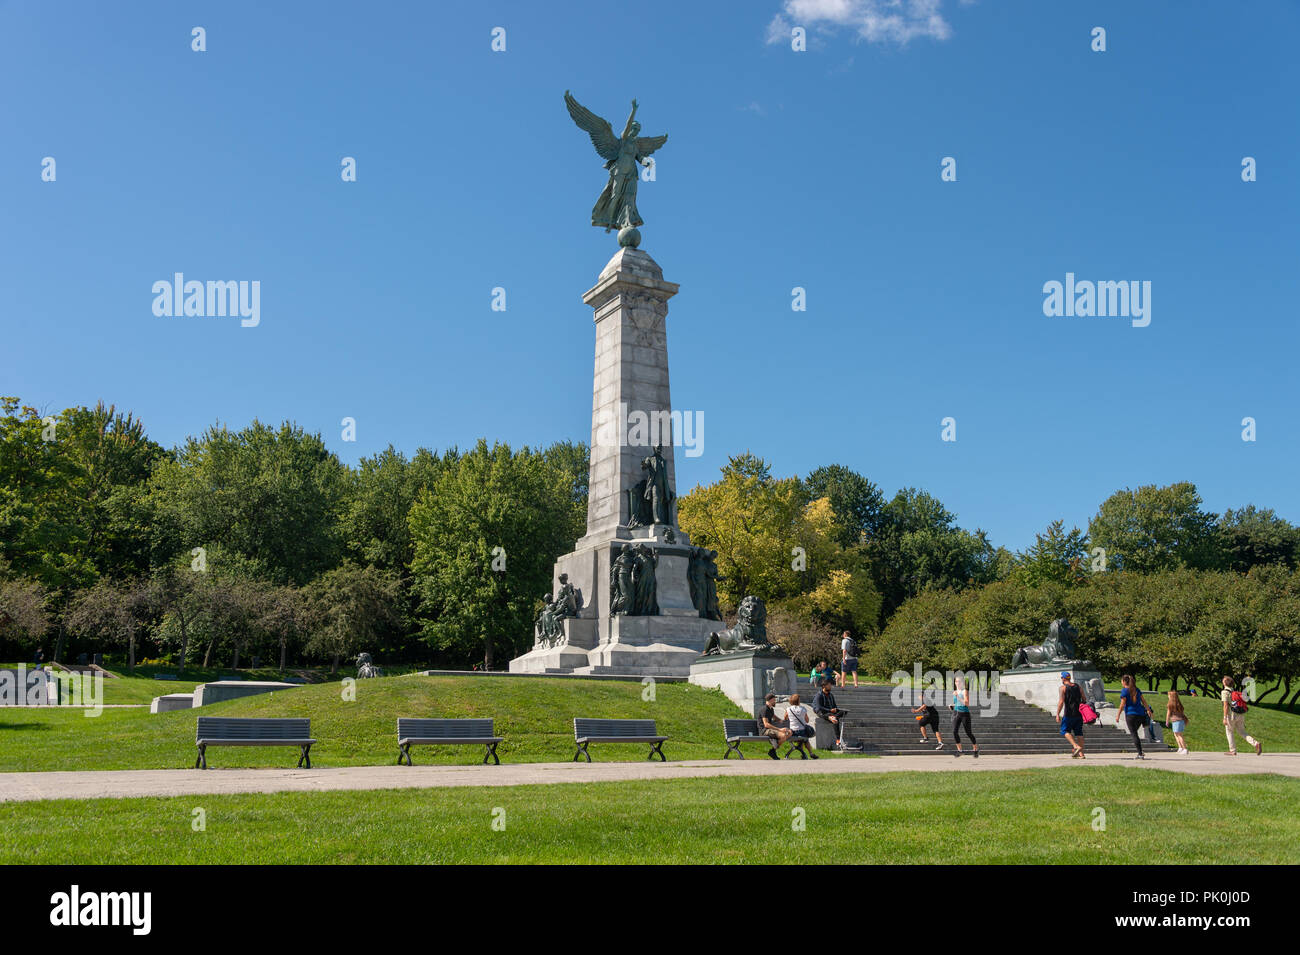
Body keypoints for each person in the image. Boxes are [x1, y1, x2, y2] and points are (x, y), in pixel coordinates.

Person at [1221, 676, 1262, 756]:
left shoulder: (1224, 692)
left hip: (1231, 715)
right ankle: (1256, 743)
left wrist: (1225, 718)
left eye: (1223, 680)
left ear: (1225, 683)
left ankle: (1232, 750)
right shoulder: (1234, 691)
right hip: (1240, 714)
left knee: (1229, 732)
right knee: (1242, 732)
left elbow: (1225, 706)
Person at [1117, 675, 1154, 759]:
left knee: (1134, 734)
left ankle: (1140, 753)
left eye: (1121, 681)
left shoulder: (1124, 691)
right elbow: (1143, 701)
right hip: (1140, 714)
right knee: (1134, 733)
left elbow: (1122, 704)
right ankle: (1140, 752)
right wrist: (1148, 710)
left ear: (1124, 681)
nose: (1121, 682)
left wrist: (1118, 715)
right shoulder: (1137, 690)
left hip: (1130, 715)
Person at [1054, 671, 1086, 759]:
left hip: (1068, 714)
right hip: (1079, 714)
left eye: (1061, 677)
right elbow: (1084, 698)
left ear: (1064, 678)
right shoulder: (1078, 687)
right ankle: (1081, 754)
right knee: (1079, 733)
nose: (1061, 679)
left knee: (1064, 731)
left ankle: (1076, 746)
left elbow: (1061, 702)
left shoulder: (1063, 688)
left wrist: (1057, 714)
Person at [813, 679, 847, 750]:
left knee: (844, 712)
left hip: (831, 712)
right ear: (824, 686)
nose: (830, 687)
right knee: (832, 717)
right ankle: (838, 739)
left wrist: (835, 710)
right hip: (822, 711)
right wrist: (829, 710)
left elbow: (834, 705)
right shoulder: (819, 695)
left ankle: (832, 717)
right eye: (829, 685)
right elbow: (819, 707)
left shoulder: (831, 695)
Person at [950, 675, 978, 757]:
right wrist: (952, 705)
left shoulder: (964, 691)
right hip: (956, 713)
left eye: (959, 681)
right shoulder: (954, 692)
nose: (957, 683)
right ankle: (959, 750)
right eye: (956, 681)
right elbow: (957, 703)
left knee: (968, 732)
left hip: (964, 714)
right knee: (954, 731)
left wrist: (957, 696)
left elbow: (966, 703)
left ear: (962, 683)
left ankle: (975, 748)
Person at [785, 693, 819, 758]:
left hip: (793, 732)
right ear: (798, 701)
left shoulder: (788, 709)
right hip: (802, 731)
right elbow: (807, 720)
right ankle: (810, 753)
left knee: (801, 740)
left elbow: (785, 718)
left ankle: (803, 754)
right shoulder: (803, 709)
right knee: (805, 739)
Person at [758, 692, 790, 760]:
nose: (775, 701)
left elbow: (774, 716)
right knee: (783, 735)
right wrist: (780, 729)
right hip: (764, 731)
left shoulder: (770, 709)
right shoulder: (765, 709)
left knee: (789, 732)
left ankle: (773, 750)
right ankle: (773, 750)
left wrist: (781, 720)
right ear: (770, 700)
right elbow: (766, 724)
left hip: (770, 730)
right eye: (774, 700)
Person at [1165, 690, 1190, 754]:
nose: (1168, 696)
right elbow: (1182, 713)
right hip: (1180, 721)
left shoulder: (1170, 704)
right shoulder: (1179, 704)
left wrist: (1167, 721)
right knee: (1176, 734)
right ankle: (1180, 747)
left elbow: (1168, 713)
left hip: (1176, 721)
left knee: (1179, 735)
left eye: (1169, 695)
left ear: (1171, 697)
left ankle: (1184, 749)